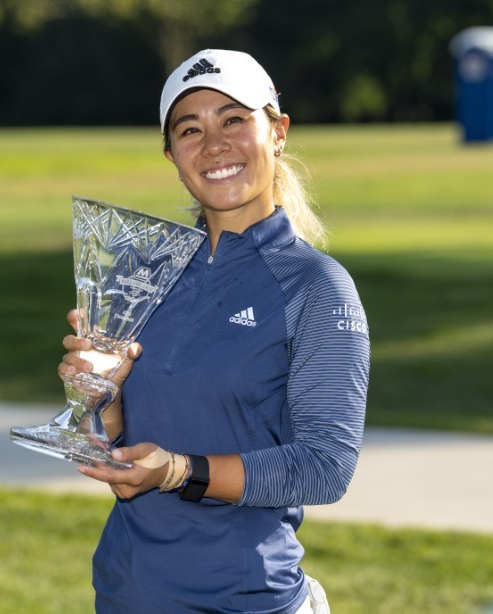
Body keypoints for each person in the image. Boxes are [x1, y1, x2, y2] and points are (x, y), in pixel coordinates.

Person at [59, 49, 370, 613]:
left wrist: (180, 472)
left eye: (234, 119)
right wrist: (98, 396)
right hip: (127, 591)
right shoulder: (141, 274)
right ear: (172, 154)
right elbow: (104, 441)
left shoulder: (316, 286)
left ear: (277, 132)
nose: (214, 144)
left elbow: (326, 468)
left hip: (246, 599)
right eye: (189, 129)